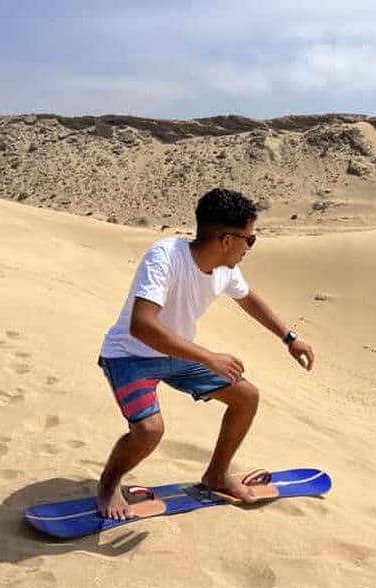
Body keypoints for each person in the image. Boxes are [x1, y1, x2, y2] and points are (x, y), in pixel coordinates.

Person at [96, 188, 315, 519]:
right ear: (227, 240)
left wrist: (289, 337)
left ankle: (216, 474)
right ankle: (109, 485)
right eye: (249, 240)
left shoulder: (226, 268)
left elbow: (249, 299)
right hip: (130, 357)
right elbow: (142, 326)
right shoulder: (166, 257)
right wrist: (207, 357)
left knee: (246, 396)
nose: (250, 247)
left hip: (178, 355)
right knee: (149, 431)